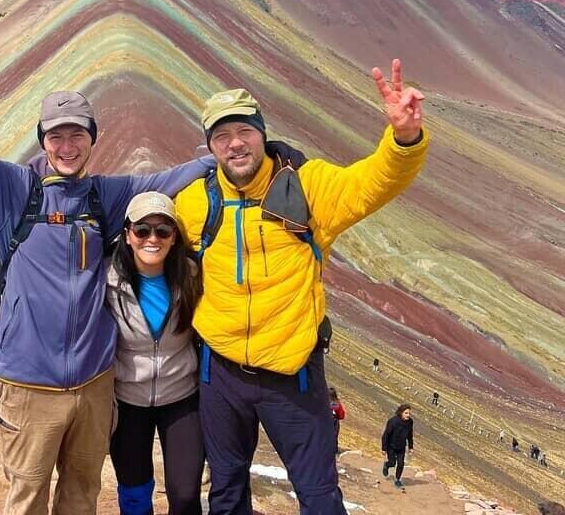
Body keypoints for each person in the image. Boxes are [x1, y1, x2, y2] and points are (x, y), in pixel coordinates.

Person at [0, 25, 217, 514]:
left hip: (95, 385)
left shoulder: (104, 196)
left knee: (82, 498)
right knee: (27, 502)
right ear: (43, 141)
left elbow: (169, 180)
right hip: (27, 387)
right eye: (56, 135)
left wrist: (233, 158)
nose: (67, 145)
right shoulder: (11, 191)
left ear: (91, 139)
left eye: (77, 134)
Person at [174, 59, 428, 514]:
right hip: (220, 373)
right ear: (210, 146)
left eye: (245, 131)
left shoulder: (307, 187)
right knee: (226, 490)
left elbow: (370, 184)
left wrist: (403, 139)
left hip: (292, 373)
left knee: (317, 494)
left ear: (262, 134)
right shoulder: (194, 203)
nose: (235, 143)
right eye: (222, 136)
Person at [106, 192, 205, 515]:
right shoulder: (107, 281)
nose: (152, 238)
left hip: (182, 397)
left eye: (163, 231)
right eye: (142, 230)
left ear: (174, 237)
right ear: (127, 235)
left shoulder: (192, 276)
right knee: (134, 495)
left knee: (186, 494)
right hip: (128, 400)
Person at [382, 404, 415, 488]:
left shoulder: (410, 422)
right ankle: (387, 465)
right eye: (406, 413)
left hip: (401, 446)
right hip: (391, 446)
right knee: (392, 463)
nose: (408, 415)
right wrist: (384, 448)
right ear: (401, 413)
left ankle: (397, 480)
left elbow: (410, 435)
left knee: (401, 463)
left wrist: (410, 447)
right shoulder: (393, 421)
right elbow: (386, 435)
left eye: (409, 413)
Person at [329, 387, 345, 453]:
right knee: (333, 439)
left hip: (324, 422)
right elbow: (341, 416)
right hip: (334, 423)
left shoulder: (323, 402)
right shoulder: (336, 404)